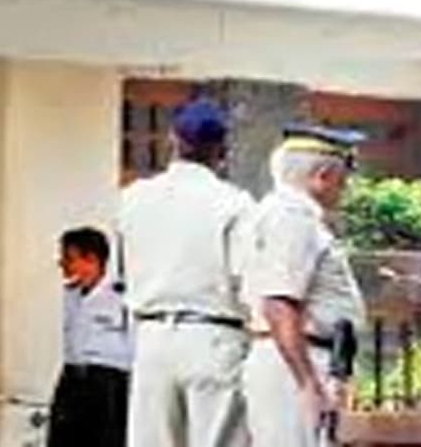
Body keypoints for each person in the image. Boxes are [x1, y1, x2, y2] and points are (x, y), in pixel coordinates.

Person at [117, 98, 255, 447]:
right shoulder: (234, 203)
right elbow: (246, 280)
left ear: (173, 140)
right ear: (221, 150)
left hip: (151, 338)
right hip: (213, 337)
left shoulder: (134, 198)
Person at [241, 124, 367, 447]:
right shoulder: (292, 218)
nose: (346, 188)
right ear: (323, 175)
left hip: (299, 358)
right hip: (297, 361)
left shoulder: (283, 213)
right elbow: (279, 303)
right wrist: (308, 383)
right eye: (344, 178)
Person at [48, 227, 132, 447]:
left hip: (107, 383)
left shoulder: (121, 297)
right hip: (73, 379)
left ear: (91, 259)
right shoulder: (71, 293)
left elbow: (134, 345)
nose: (62, 264)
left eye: (69, 258)